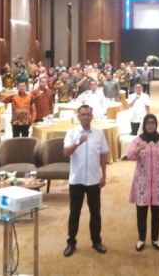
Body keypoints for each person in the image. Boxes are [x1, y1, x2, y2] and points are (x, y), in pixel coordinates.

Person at [63, 105, 109, 257]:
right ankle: (71, 242)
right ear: (78, 116)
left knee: (95, 212)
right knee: (74, 212)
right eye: (83, 114)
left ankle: (96, 241)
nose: (85, 117)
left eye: (88, 114)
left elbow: (103, 155)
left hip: (94, 180)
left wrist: (104, 175)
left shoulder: (98, 133)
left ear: (92, 116)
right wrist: (78, 142)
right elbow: (66, 152)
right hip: (77, 179)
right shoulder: (72, 133)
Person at [127, 114, 159, 251]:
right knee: (141, 212)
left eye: (153, 123)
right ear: (144, 124)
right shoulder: (138, 140)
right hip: (142, 183)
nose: (150, 125)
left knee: (157, 212)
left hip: (158, 183)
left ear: (156, 124)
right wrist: (139, 148)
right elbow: (130, 156)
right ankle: (141, 239)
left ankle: (155, 239)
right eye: (148, 123)